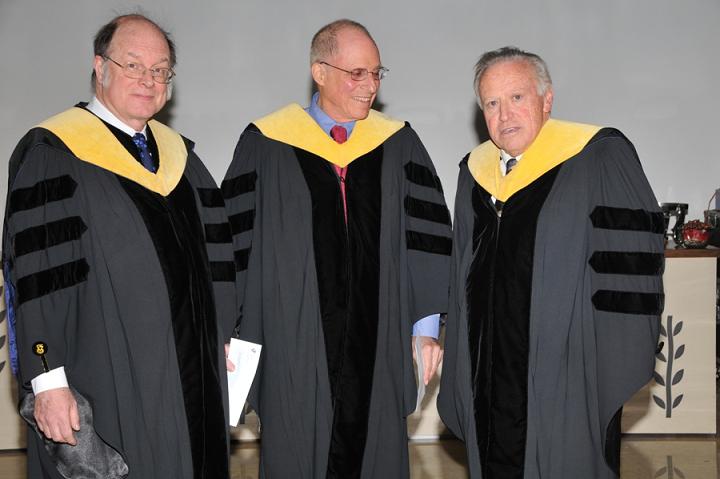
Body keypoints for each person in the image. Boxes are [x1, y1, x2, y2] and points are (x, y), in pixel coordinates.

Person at [2, 14, 235, 478]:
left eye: (160, 70)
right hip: (106, 372)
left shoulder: (184, 159)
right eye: (133, 65)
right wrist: (48, 380)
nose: (148, 80)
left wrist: (225, 335)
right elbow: (39, 274)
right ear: (99, 67)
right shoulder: (55, 153)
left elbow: (219, 259)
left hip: (194, 375)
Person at [222, 19, 451, 479]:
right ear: (319, 72)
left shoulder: (398, 142)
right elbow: (234, 241)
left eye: (376, 73)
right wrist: (231, 328)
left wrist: (425, 327)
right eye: (356, 73)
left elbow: (426, 237)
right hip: (294, 339)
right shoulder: (265, 144)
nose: (370, 86)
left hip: (380, 336)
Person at [437, 46, 664, 479]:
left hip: (566, 368)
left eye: (517, 97)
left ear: (547, 99)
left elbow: (631, 269)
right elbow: (461, 272)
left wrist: (601, 366)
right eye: (491, 103)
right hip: (485, 368)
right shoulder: (474, 172)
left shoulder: (597, 157)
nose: (505, 115)